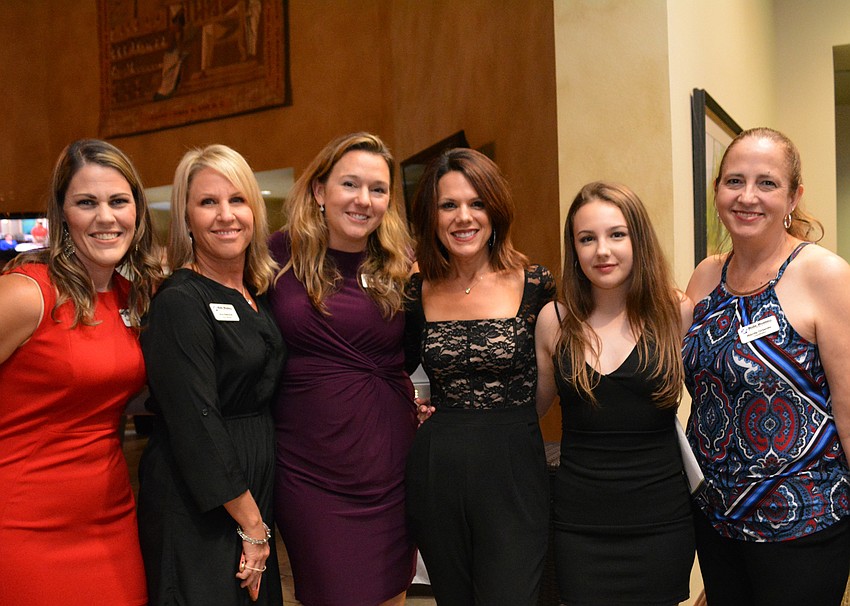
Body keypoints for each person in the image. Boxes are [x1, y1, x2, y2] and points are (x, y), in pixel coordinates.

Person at [682, 127, 850, 605]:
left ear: (794, 195)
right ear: (717, 190)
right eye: (734, 181)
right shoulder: (706, 275)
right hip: (715, 521)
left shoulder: (824, 275)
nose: (747, 197)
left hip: (803, 523)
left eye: (767, 183)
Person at [0, 139, 160, 605]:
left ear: (137, 211)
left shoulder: (133, 297)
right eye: (86, 203)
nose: (105, 218)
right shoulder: (28, 292)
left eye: (118, 201)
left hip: (111, 519)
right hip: (22, 524)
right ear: (62, 215)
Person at [269, 132, 417, 606]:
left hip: (389, 461)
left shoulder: (402, 265)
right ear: (319, 191)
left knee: (390, 592)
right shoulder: (277, 256)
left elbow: (413, 351)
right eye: (349, 184)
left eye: (377, 189)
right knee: (332, 592)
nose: (363, 200)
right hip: (309, 469)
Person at [404, 148, 555, 605]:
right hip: (437, 467)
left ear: (496, 210)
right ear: (432, 215)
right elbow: (396, 368)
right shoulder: (417, 288)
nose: (462, 218)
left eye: (476, 203)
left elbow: (548, 379)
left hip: (514, 464)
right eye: (449, 205)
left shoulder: (535, 283)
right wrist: (408, 405)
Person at [137, 145, 286, 605]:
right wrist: (252, 524)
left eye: (237, 200)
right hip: (199, 502)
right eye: (208, 202)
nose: (226, 215)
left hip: (248, 491)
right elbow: (196, 422)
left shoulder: (255, 291)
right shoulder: (181, 301)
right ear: (186, 217)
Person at [535, 181, 695, 605]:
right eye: (587, 239)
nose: (602, 250)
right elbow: (526, 411)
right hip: (579, 527)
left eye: (616, 234)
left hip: (662, 525)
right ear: (574, 249)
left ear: (638, 239)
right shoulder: (555, 321)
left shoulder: (675, 312)